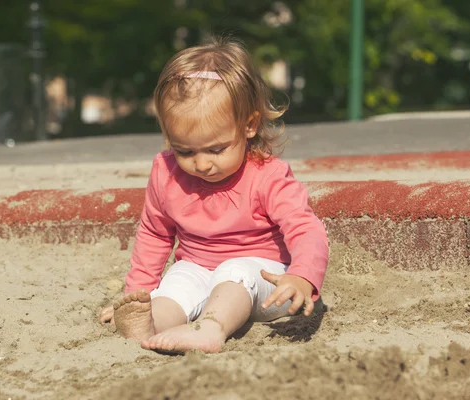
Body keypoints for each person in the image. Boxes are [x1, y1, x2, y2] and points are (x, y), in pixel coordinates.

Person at [99, 37, 329, 354]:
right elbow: (155, 233)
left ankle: (211, 329)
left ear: (249, 126)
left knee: (234, 272)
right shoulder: (166, 173)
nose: (203, 164)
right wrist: (139, 295)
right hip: (198, 267)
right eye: (185, 151)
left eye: (216, 149)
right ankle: (148, 322)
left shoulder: (268, 176)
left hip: (266, 283)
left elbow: (306, 229)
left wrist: (303, 278)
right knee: (177, 282)